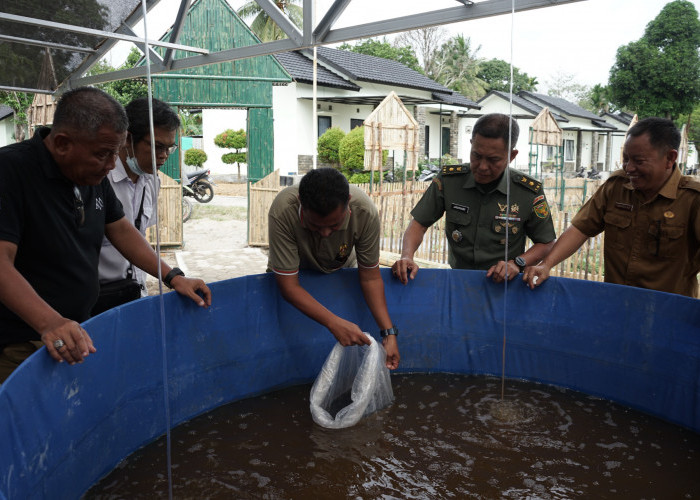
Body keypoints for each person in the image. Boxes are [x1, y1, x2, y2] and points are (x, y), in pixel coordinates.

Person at [0, 87, 211, 384]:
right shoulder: (11, 171)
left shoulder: (89, 173)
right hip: (25, 341)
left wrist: (173, 276)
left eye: (115, 152)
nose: (112, 164)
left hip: (78, 328)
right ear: (62, 144)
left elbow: (122, 229)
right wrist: (50, 323)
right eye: (103, 154)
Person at [525, 117, 700, 298]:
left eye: (639, 161)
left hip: (671, 313)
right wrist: (546, 264)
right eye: (626, 159)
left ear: (670, 158)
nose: (629, 168)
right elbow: (580, 228)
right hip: (616, 306)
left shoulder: (692, 199)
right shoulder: (616, 186)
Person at [392, 113, 556, 284]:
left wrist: (517, 263)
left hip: (505, 286)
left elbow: (546, 243)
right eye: (476, 156)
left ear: (511, 156)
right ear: (471, 145)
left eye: (493, 160)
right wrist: (407, 256)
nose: (483, 167)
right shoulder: (449, 181)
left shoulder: (528, 191)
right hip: (459, 281)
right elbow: (419, 224)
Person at [267, 168, 400, 370]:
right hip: (295, 270)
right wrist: (333, 323)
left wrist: (388, 332)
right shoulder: (284, 210)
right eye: (315, 226)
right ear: (301, 204)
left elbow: (370, 278)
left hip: (340, 265)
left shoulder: (364, 212)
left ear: (348, 202)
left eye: (335, 225)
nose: (326, 233)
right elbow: (289, 286)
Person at [92, 97, 180, 316]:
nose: (163, 156)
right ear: (127, 139)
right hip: (97, 301)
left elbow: (139, 236)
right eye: (157, 146)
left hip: (133, 295)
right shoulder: (99, 180)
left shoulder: (152, 180)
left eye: (170, 148)